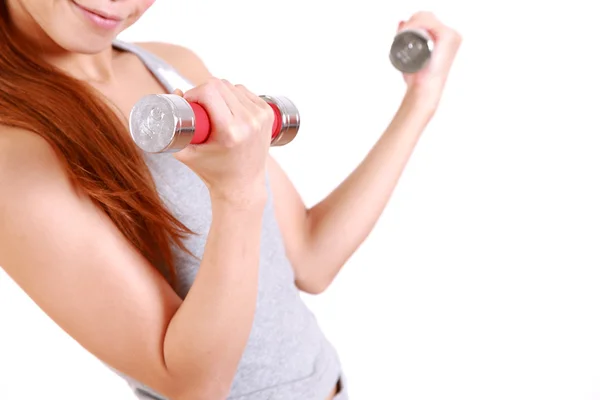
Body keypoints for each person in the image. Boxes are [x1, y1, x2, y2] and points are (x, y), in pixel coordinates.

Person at [0, 0, 461, 399]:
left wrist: (421, 100)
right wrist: (236, 191)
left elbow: (311, 256)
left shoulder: (171, 65)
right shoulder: (15, 158)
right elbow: (195, 387)